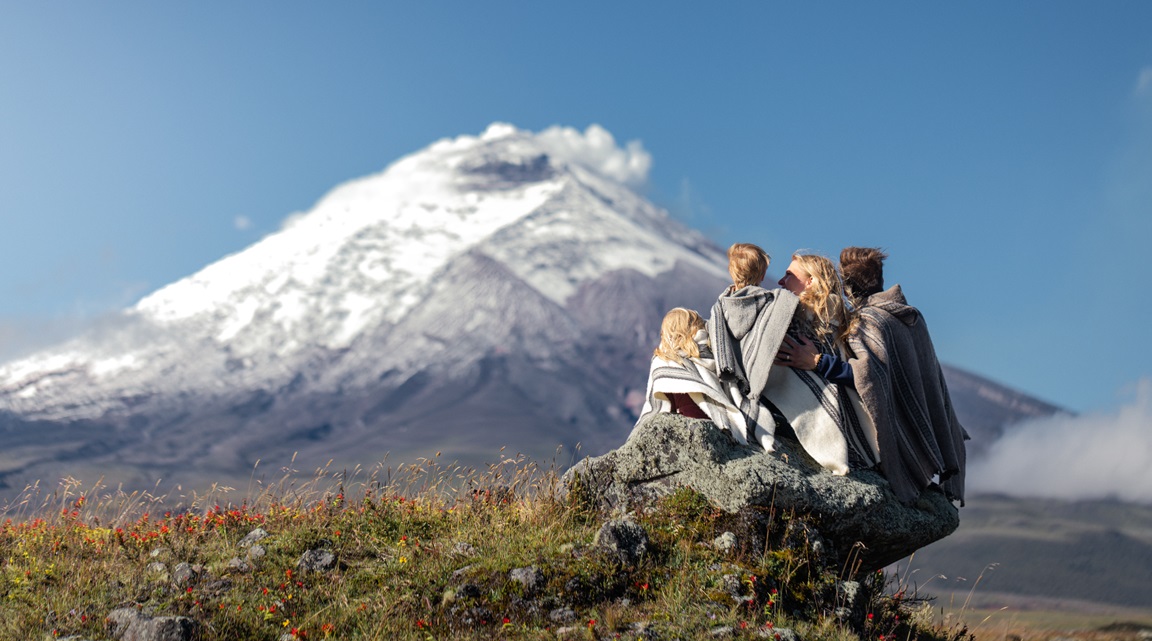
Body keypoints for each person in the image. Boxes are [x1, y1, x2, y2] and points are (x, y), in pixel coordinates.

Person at [839, 247, 968, 505]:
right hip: (925, 428)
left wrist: (818, 362)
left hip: (894, 439)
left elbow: (870, 378)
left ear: (847, 286)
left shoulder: (867, 321)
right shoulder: (911, 316)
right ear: (879, 280)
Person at [759, 252, 881, 473]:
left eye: (789, 275)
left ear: (811, 281)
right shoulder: (836, 321)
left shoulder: (848, 327)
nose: (780, 282)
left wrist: (819, 362)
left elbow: (869, 377)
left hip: (812, 422)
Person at [634, 307, 773, 450]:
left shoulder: (666, 360)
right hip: (720, 422)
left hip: (688, 426)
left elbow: (663, 405)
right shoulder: (718, 352)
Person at [705, 243, 798, 453]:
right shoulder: (772, 305)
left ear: (731, 270)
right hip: (768, 394)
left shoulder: (719, 310)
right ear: (763, 274)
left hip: (730, 388)